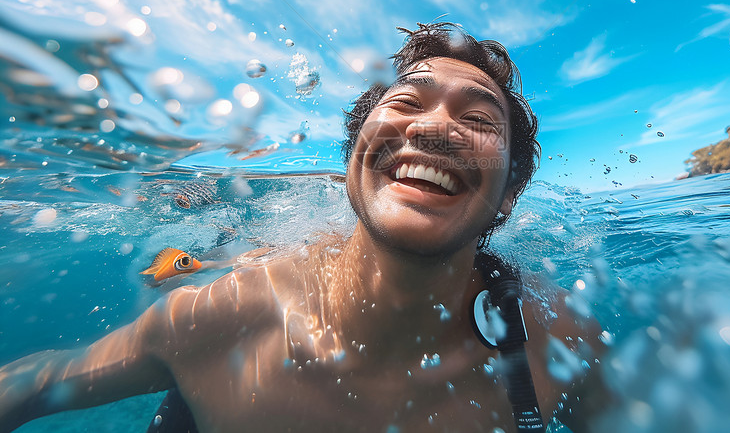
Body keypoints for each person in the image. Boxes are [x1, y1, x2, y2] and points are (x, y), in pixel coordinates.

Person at [0, 22, 606, 432]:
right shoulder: (217, 320)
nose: (432, 128)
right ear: (351, 163)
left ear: (509, 195)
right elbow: (33, 380)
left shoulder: (556, 342)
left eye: (478, 118)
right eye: (405, 102)